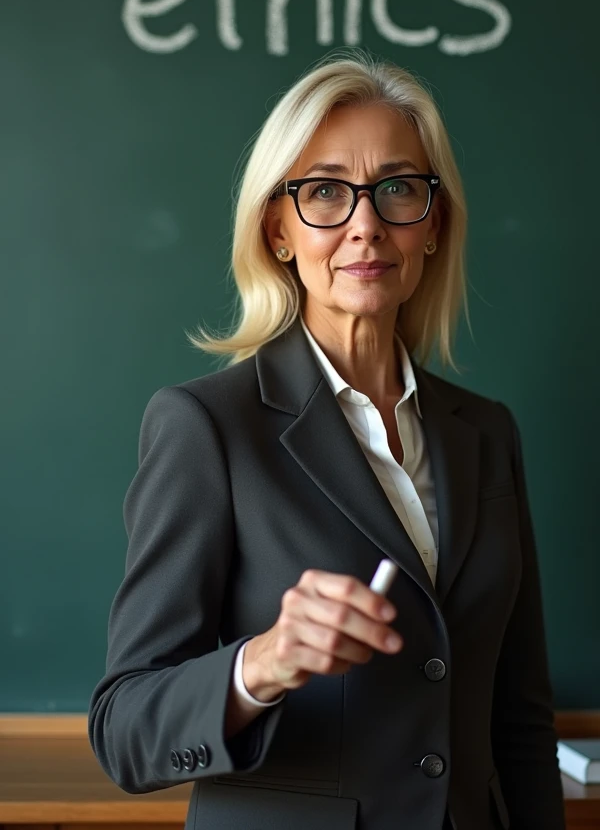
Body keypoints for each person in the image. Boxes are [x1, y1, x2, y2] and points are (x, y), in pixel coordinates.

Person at [87, 49, 566, 830]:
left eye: (399, 189)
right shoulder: (206, 426)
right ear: (278, 229)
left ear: (433, 224)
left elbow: (519, 720)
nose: (366, 225)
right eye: (325, 193)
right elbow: (126, 733)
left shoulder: (486, 433)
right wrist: (265, 662)